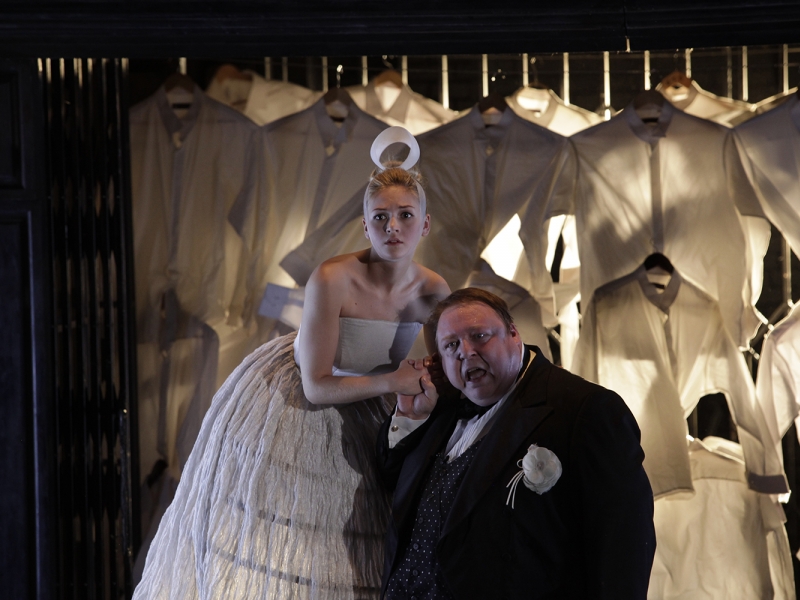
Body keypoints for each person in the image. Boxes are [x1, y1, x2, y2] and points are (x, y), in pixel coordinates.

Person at [133, 126, 450, 600]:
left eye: (406, 215)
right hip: (301, 395)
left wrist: (418, 391)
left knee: (364, 532)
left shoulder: (433, 289)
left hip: (375, 399)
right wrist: (394, 381)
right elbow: (317, 385)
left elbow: (441, 370)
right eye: (380, 217)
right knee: (288, 536)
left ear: (424, 225)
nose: (393, 227)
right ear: (365, 226)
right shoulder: (333, 277)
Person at [377, 288, 656, 599]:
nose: (465, 352)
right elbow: (389, 482)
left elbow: (624, 546)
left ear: (513, 333)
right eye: (451, 345)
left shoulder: (585, 409)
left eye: (479, 336)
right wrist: (410, 416)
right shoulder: (438, 407)